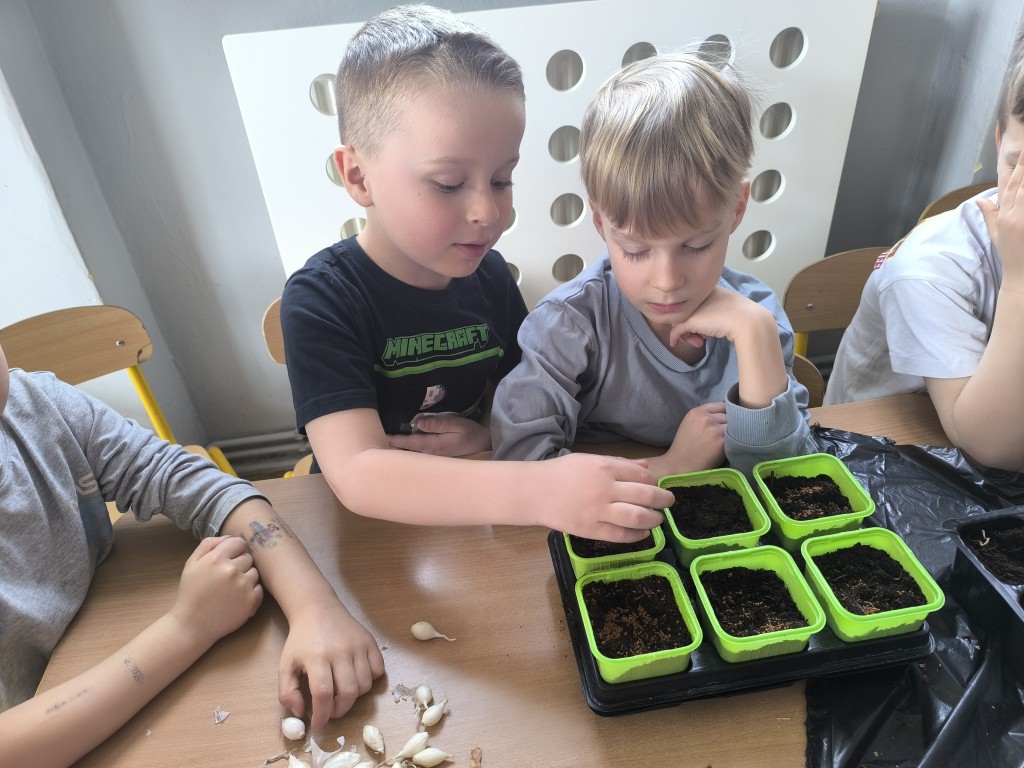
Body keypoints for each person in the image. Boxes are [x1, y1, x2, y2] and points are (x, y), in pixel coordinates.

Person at [281, 4, 673, 541]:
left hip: (474, 515)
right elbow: (358, 472)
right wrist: (538, 490)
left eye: (502, 179)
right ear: (358, 176)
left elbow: (517, 397)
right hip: (368, 535)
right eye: (448, 183)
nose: (488, 212)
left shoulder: (489, 277)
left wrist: (488, 431)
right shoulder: (322, 300)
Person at [0, 345, 384, 766]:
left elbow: (194, 482)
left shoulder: (40, 405)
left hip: (96, 641)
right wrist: (189, 627)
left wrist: (314, 606)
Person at [490, 53, 812, 478]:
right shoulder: (568, 326)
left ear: (736, 209)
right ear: (601, 222)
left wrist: (755, 335)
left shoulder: (758, 316)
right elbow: (522, 469)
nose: (667, 281)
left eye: (696, 246)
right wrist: (669, 467)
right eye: (636, 250)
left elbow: (786, 475)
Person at [824, 30, 1024, 472]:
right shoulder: (931, 269)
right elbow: (992, 445)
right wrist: (1021, 282)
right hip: (881, 451)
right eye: (1018, 164)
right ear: (998, 143)